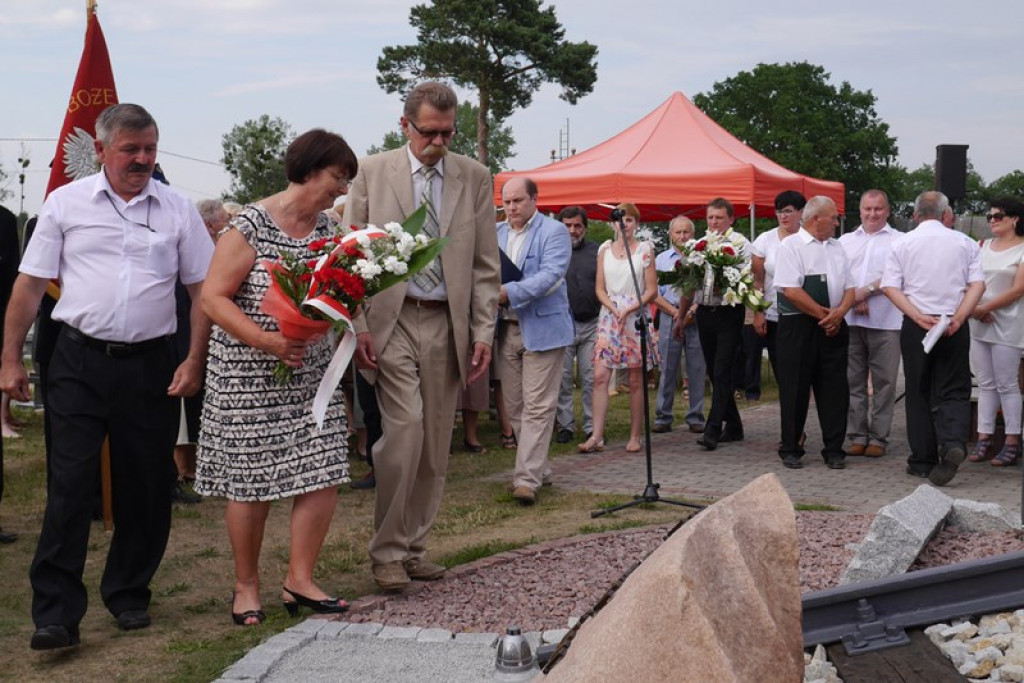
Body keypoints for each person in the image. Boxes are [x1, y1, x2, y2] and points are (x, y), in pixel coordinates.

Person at [0, 104, 214, 649]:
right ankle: (55, 614)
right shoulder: (63, 204)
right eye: (130, 150)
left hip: (152, 365)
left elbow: (202, 293)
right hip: (77, 362)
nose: (142, 160)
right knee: (69, 486)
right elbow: (28, 287)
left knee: (145, 485)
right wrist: (8, 361)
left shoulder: (178, 210)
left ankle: (129, 593)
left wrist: (194, 359)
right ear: (100, 150)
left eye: (150, 149)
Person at [344, 82, 500, 593]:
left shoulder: (474, 177)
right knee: (405, 430)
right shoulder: (371, 172)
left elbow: (483, 266)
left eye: (447, 132)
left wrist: (483, 331)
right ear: (404, 124)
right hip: (391, 320)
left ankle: (413, 548)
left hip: (446, 322)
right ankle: (386, 552)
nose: (438, 142)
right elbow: (350, 256)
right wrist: (360, 326)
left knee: (434, 444)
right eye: (428, 132)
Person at [196, 129, 357, 625]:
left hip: (311, 373)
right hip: (248, 375)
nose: (342, 189)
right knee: (251, 483)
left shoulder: (330, 230)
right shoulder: (249, 225)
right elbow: (213, 298)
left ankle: (300, 579)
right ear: (308, 171)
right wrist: (268, 341)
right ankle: (246, 587)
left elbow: (342, 290)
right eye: (337, 177)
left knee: (323, 469)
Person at [882, 191, 985, 486]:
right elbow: (977, 285)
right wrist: (959, 317)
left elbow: (890, 287)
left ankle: (922, 460)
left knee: (918, 390)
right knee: (954, 388)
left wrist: (916, 316)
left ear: (915, 215)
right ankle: (952, 442)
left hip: (918, 325)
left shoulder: (901, 243)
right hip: (953, 323)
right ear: (946, 215)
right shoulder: (965, 243)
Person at [496, 177, 573, 504]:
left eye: (518, 201)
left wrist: (506, 292)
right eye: (507, 202)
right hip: (506, 329)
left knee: (538, 408)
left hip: (543, 329)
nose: (512, 208)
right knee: (515, 406)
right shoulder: (495, 233)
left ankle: (526, 480)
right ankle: (539, 468)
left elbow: (550, 276)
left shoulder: (554, 232)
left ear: (534, 200)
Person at [774, 196, 855, 470]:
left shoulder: (838, 248)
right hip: (800, 325)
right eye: (832, 217)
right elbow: (791, 290)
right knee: (795, 387)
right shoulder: (791, 246)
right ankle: (791, 447)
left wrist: (840, 312)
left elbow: (850, 287)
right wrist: (825, 317)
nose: (836, 221)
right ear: (816, 218)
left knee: (834, 388)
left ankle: (834, 448)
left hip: (833, 323)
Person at [581, 202, 659, 454]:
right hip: (609, 316)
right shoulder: (604, 249)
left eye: (629, 220)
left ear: (636, 223)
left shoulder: (644, 250)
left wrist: (629, 308)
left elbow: (651, 290)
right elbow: (599, 288)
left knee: (636, 379)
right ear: (612, 223)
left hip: (635, 315)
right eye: (619, 220)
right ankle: (597, 435)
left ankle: (635, 435)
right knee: (600, 376)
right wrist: (612, 308)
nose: (623, 224)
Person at [675, 198, 750, 451]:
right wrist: (681, 316)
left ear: (730, 219)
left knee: (721, 370)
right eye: (710, 218)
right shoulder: (698, 246)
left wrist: (726, 282)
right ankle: (735, 425)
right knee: (714, 371)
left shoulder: (739, 244)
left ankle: (713, 428)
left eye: (719, 217)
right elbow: (688, 286)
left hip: (729, 312)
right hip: (704, 312)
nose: (714, 222)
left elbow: (747, 279)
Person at [838, 190, 904, 458]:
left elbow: (896, 275)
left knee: (884, 383)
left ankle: (879, 437)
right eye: (867, 209)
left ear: (887, 211)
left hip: (887, 320)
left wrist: (865, 291)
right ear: (860, 210)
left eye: (878, 209)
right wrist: (854, 296)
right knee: (852, 381)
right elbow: (839, 273)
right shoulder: (844, 241)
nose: (872, 214)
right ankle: (856, 434)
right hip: (850, 319)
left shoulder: (900, 241)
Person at [968, 198, 1024, 466]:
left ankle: (1012, 440)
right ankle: (984, 437)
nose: (992, 221)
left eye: (998, 216)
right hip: (980, 322)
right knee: (986, 383)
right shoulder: (982, 246)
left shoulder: (1022, 249)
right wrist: (976, 308)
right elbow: (971, 280)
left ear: (1015, 218)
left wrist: (984, 307)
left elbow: (1018, 289)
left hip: (1008, 324)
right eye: (989, 216)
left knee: (1007, 384)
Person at [653, 215, 705, 434]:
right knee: (667, 367)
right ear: (670, 234)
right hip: (669, 315)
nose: (682, 236)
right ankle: (663, 416)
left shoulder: (702, 258)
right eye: (678, 232)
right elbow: (653, 294)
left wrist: (690, 311)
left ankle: (695, 416)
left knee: (696, 367)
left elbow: (705, 290)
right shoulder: (661, 260)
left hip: (696, 316)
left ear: (693, 235)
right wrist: (676, 313)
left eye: (686, 232)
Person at [555, 206, 600, 444]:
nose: (572, 230)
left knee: (590, 377)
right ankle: (565, 425)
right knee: (562, 377)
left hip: (592, 323)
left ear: (585, 227)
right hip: (562, 323)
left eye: (577, 226)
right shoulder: (552, 252)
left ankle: (592, 425)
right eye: (567, 225)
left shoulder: (597, 252)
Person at [751, 191, 806, 378]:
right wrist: (758, 313)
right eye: (779, 211)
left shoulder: (809, 239)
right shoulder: (765, 240)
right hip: (775, 314)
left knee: (804, 366)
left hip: (805, 313)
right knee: (782, 367)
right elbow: (756, 281)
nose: (783, 216)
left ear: (801, 212)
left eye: (789, 211)